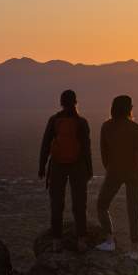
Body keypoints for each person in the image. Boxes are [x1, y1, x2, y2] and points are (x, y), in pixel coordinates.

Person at [96, 95, 138, 261]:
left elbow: (103, 153)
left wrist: (110, 169)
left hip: (115, 172)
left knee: (102, 205)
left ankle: (110, 240)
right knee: (133, 210)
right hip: (133, 173)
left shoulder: (106, 127)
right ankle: (134, 250)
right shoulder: (135, 127)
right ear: (129, 108)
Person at [38, 90, 93, 252]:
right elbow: (86, 148)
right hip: (78, 166)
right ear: (76, 102)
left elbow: (46, 144)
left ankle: (56, 241)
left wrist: (42, 166)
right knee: (79, 204)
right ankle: (81, 240)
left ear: (61, 102)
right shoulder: (82, 122)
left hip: (57, 165)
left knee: (56, 203)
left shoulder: (54, 120)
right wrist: (89, 168)